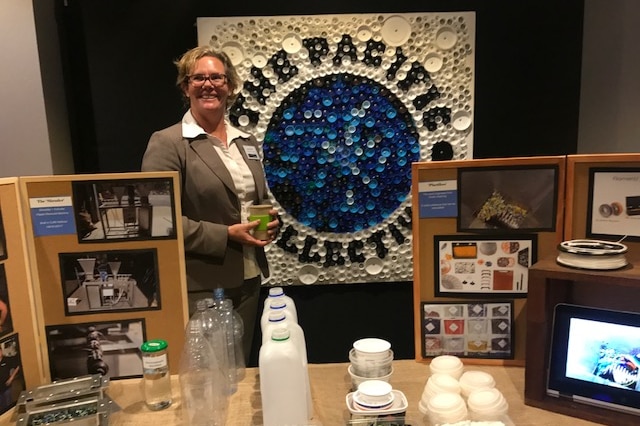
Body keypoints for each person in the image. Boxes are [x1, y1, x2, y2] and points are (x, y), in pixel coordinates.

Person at [141, 46, 279, 363]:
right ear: (185, 86)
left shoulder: (246, 141)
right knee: (209, 377)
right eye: (199, 77)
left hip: (248, 278)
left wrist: (270, 223)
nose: (209, 84)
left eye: (217, 77)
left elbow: (257, 200)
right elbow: (158, 222)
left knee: (240, 371)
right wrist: (226, 234)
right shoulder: (168, 143)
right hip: (202, 286)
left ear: (229, 85)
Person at [0, 345, 20, 412]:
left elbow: (18, 366)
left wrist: (11, 378)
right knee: (2, 407)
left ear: (1, 351)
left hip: (6, 387)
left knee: (9, 404)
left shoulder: (7, 360)